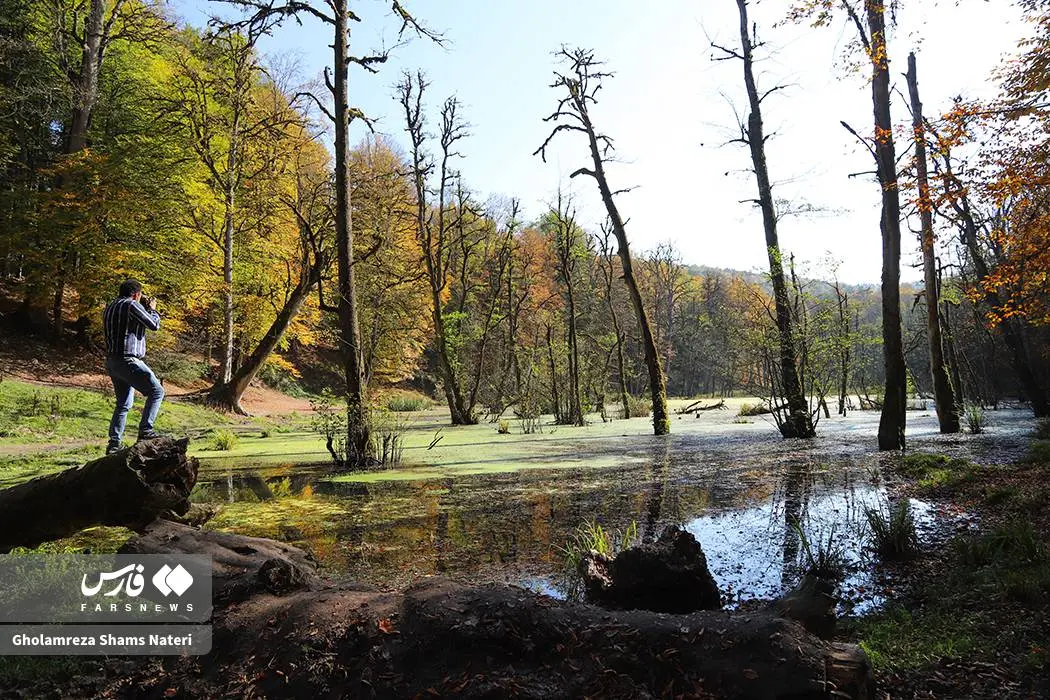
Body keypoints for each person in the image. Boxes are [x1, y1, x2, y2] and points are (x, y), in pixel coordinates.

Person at [103, 279, 165, 454]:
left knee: (123, 404)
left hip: (112, 361)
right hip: (128, 360)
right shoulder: (131, 305)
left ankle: (114, 444)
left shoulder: (110, 306)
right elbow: (154, 325)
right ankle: (146, 431)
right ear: (136, 294)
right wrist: (152, 308)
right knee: (157, 391)